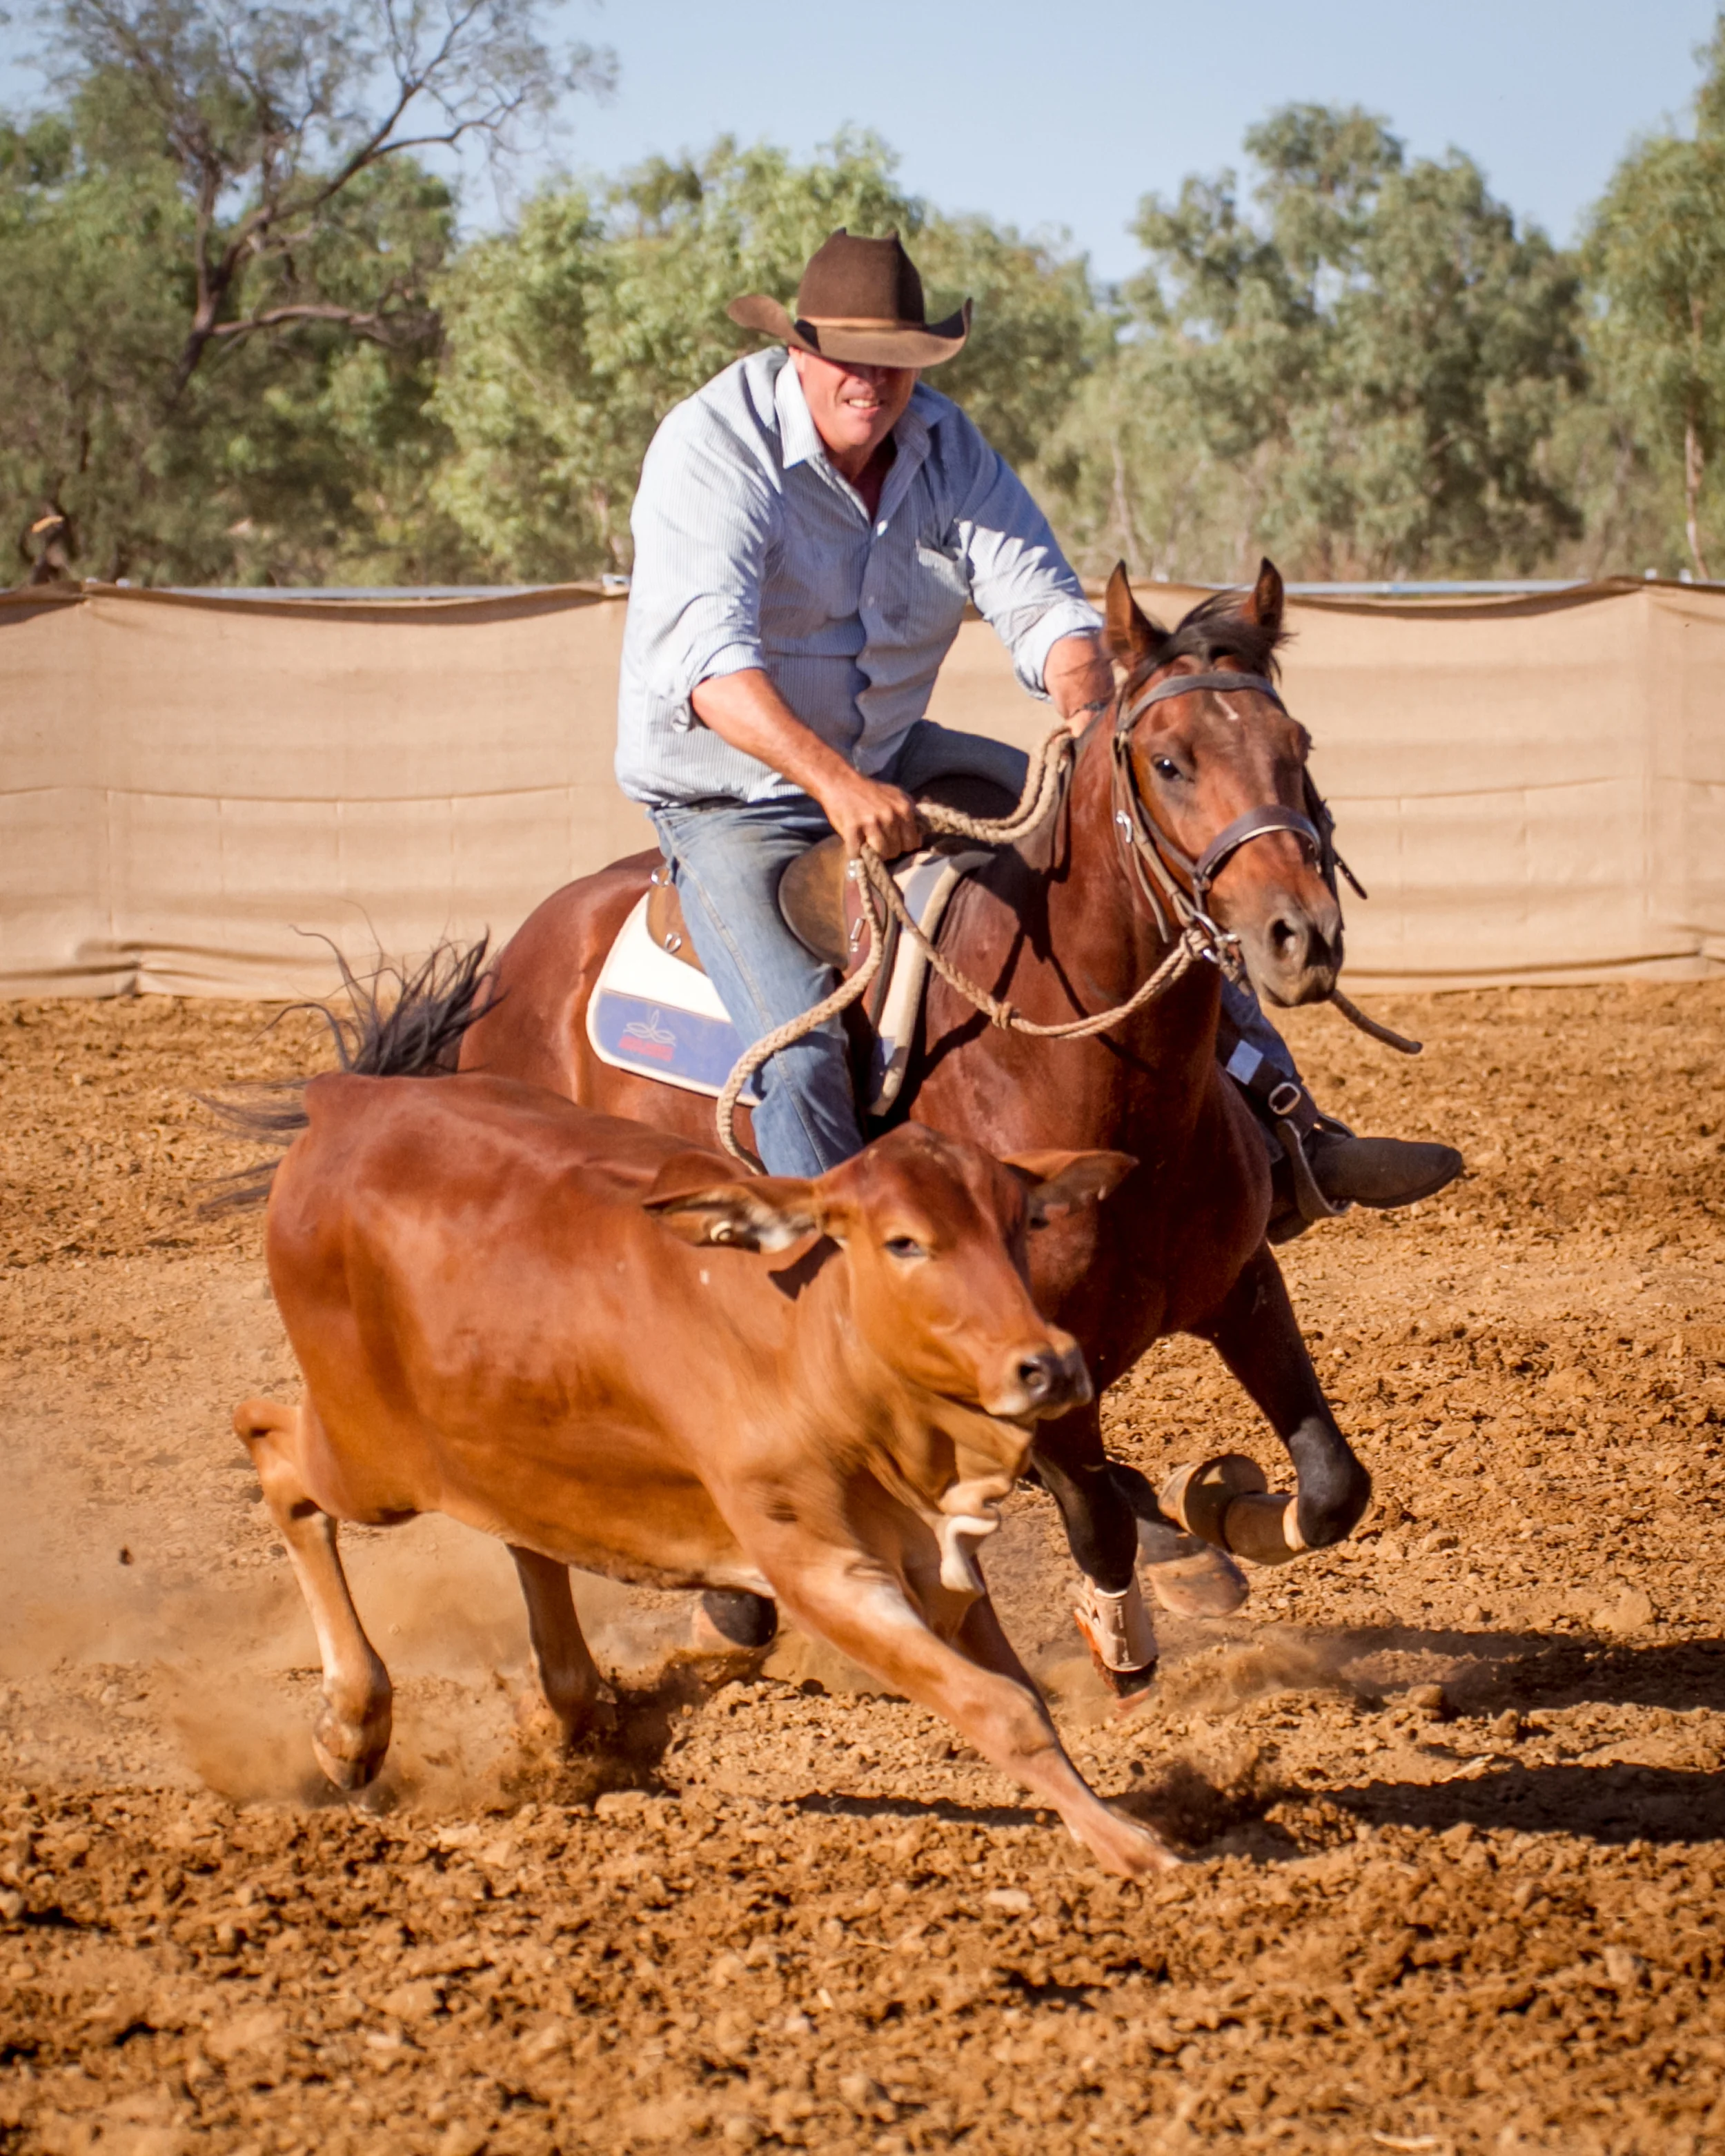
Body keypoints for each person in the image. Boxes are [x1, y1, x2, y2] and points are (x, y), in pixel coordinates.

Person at [615, 228, 1459, 1232]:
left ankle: (1294, 1133)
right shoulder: (714, 447)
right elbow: (712, 668)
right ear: (797, 351)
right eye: (849, 357)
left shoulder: (943, 443)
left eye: (899, 361)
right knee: (799, 1056)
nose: (875, 383)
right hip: (733, 796)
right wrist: (838, 788)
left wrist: (1088, 708)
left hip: (892, 755)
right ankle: (835, 1295)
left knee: (1124, 847)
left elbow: (1045, 602)